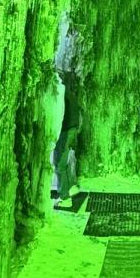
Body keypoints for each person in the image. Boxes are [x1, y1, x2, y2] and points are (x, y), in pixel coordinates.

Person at [53, 71, 80, 210]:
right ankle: (71, 187)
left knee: (60, 164)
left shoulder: (62, 93)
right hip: (72, 129)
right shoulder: (70, 93)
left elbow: (60, 114)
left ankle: (65, 197)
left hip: (66, 131)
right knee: (66, 161)